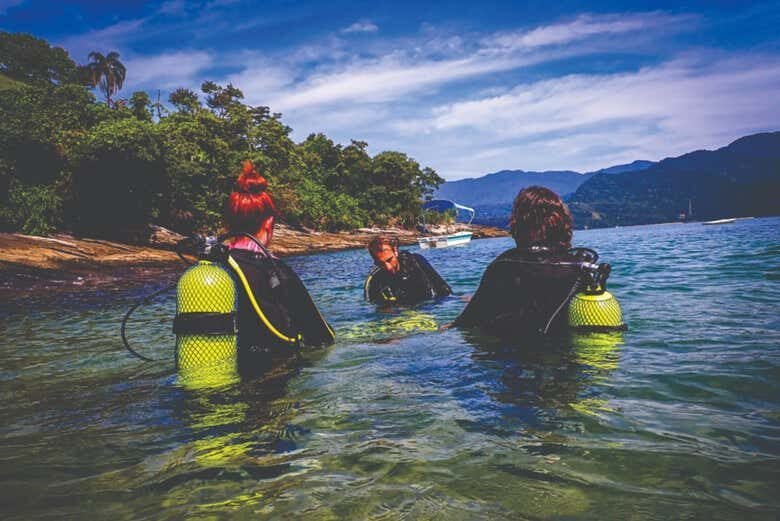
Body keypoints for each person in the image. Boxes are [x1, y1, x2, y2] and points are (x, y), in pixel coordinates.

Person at [225, 161, 335, 371]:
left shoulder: (215, 267)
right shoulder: (274, 271)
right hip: (270, 388)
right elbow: (322, 336)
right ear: (269, 223)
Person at [453, 186, 589, 337]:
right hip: (564, 354)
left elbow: (466, 322)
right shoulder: (582, 267)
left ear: (520, 223)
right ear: (563, 222)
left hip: (511, 355)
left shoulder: (504, 265)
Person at [364, 235, 452, 305]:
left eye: (389, 260)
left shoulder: (415, 261)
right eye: (381, 263)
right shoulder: (374, 279)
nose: (388, 267)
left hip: (429, 307)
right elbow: (372, 306)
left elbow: (443, 289)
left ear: (395, 251)